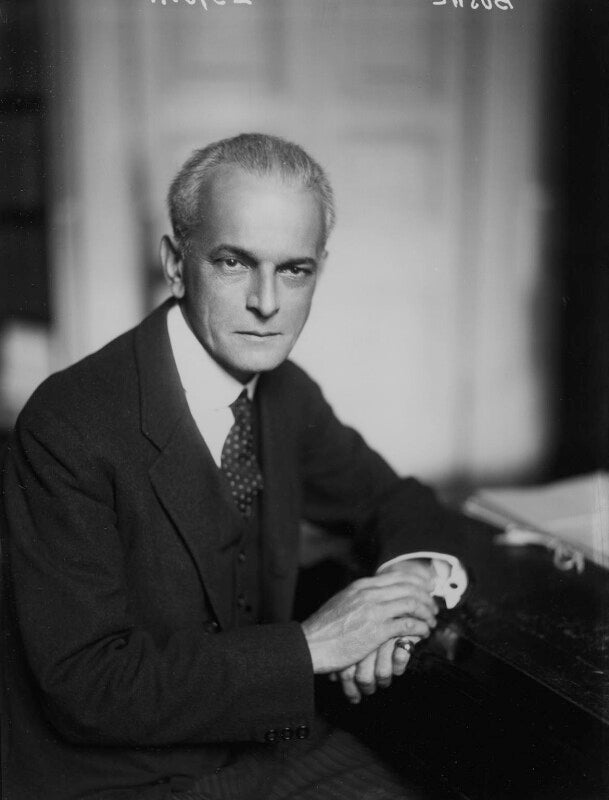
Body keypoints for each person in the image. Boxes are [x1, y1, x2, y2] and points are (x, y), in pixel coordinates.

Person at [0, 133, 465, 800]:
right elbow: (89, 685)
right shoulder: (67, 423)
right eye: (233, 263)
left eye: (294, 270)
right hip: (116, 776)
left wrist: (404, 592)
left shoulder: (286, 395)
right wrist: (314, 645)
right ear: (175, 264)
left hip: (267, 743)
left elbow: (394, 500)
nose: (267, 302)